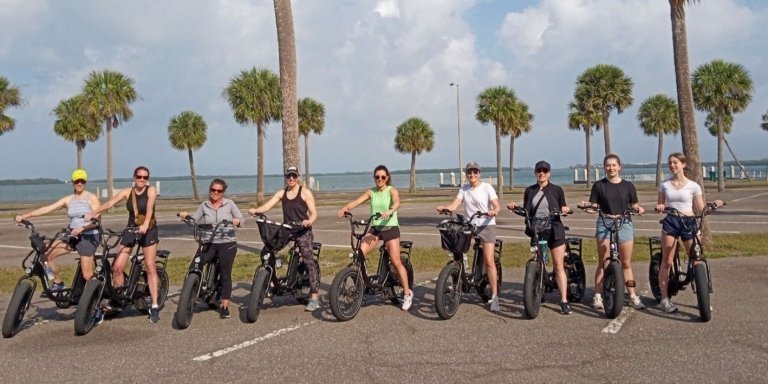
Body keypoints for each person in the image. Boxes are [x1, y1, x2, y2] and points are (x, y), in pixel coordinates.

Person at [85, 166, 163, 323]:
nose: (142, 179)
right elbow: (110, 203)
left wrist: (146, 224)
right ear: (134, 177)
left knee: (150, 266)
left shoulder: (151, 190)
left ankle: (154, 305)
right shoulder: (128, 192)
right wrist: (93, 213)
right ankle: (118, 297)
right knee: (117, 267)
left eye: (145, 177)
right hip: (131, 229)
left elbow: (149, 208)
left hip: (149, 230)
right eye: (139, 176)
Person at [337, 165, 413, 311]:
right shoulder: (371, 192)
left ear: (387, 178)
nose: (380, 179)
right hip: (376, 228)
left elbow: (397, 202)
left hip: (390, 227)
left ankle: (407, 293)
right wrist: (345, 208)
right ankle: (363, 282)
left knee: (396, 261)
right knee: (359, 252)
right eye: (377, 177)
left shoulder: (391, 190)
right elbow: (357, 201)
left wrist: (390, 211)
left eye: (382, 177)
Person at [15, 169, 101, 289]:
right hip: (72, 235)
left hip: (89, 235)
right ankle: (58, 283)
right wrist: (25, 216)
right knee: (45, 256)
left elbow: (97, 220)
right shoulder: (68, 199)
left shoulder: (91, 198)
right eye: (77, 181)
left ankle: (101, 295)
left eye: (82, 181)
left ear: (85, 182)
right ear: (73, 182)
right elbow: (47, 208)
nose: (80, 184)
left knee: (87, 275)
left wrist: (82, 228)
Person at [655, 152, 720, 313]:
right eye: (670, 163)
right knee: (667, 261)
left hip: (689, 222)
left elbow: (700, 208)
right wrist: (660, 207)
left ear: (683, 164)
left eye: (675, 162)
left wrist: (713, 205)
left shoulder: (693, 186)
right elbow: (660, 204)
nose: (672, 165)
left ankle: (702, 298)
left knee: (696, 259)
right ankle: (664, 299)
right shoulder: (664, 185)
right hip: (671, 221)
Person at [580, 154, 646, 311]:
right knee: (604, 261)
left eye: (614, 165)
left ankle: (632, 296)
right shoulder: (599, 185)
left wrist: (639, 209)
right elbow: (593, 207)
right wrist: (586, 206)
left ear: (619, 167)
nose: (611, 168)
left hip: (624, 222)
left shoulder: (628, 186)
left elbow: (634, 205)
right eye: (608, 165)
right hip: (605, 222)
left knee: (626, 263)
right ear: (604, 167)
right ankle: (598, 295)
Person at [249, 167, 320, 311]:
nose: (291, 179)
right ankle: (273, 283)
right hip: (287, 230)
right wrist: (256, 211)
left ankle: (314, 297)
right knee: (267, 251)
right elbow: (267, 206)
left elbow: (313, 213)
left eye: (294, 176)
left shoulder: (305, 193)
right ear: (286, 177)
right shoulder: (282, 193)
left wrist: (309, 221)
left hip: (302, 230)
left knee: (308, 260)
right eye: (289, 176)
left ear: (298, 177)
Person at [507, 161, 572, 314]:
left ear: (549, 173)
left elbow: (563, 207)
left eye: (544, 171)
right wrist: (515, 208)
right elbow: (527, 210)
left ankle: (563, 300)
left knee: (558, 265)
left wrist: (565, 209)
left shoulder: (556, 190)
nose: (541, 173)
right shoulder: (530, 190)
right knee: (538, 261)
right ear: (535, 173)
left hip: (554, 230)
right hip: (537, 230)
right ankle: (538, 290)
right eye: (539, 171)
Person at [436, 161, 501, 312]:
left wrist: (494, 211)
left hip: (486, 225)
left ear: (479, 173)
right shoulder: (464, 188)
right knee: (457, 245)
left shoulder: (487, 187)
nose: (472, 175)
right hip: (470, 224)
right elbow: (455, 205)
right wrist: (445, 208)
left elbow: (496, 204)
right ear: (466, 174)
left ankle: (495, 295)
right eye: (469, 172)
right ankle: (459, 272)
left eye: (475, 172)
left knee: (489, 261)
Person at [179, 179, 244, 319]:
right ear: (210, 190)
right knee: (195, 265)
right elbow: (194, 221)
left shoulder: (229, 204)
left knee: (225, 274)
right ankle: (193, 291)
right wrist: (187, 218)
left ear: (223, 192)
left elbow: (241, 219)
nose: (215, 193)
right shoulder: (204, 205)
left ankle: (225, 305)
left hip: (227, 242)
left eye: (219, 191)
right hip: (209, 242)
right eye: (213, 190)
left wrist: (237, 221)